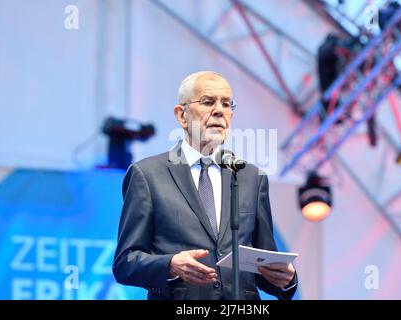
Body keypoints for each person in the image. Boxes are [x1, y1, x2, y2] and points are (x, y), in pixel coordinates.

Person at [112, 71, 297, 300]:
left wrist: (286, 280)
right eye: (208, 102)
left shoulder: (251, 177)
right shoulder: (147, 175)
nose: (219, 110)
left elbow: (262, 262)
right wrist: (170, 264)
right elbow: (125, 262)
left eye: (227, 104)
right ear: (182, 115)